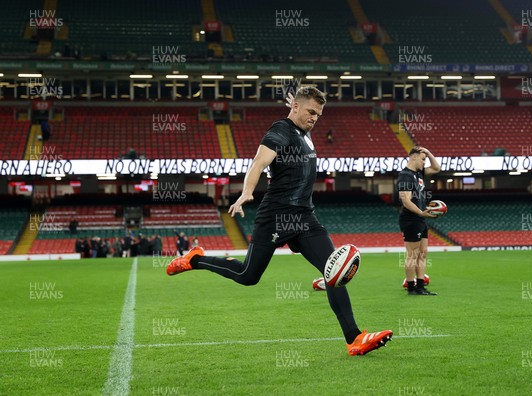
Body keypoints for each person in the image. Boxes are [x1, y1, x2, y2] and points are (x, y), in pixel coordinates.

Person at [167, 86, 393, 356]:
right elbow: (258, 163)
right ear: (296, 107)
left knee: (332, 271)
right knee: (247, 275)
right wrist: (247, 192)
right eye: (310, 112)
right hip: (276, 216)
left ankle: (355, 338)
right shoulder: (280, 130)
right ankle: (195, 260)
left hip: (304, 217)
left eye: (318, 114)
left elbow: (300, 113)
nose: (314, 118)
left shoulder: (303, 130)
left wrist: (299, 108)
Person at [396, 146, 441, 295]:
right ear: (413, 157)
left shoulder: (418, 174)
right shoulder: (405, 176)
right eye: (423, 159)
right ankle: (411, 287)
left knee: (423, 253)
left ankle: (420, 287)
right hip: (410, 219)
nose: (424, 162)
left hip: (420, 218)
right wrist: (422, 212)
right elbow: (406, 202)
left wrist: (428, 152)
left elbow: (437, 168)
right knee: (412, 254)